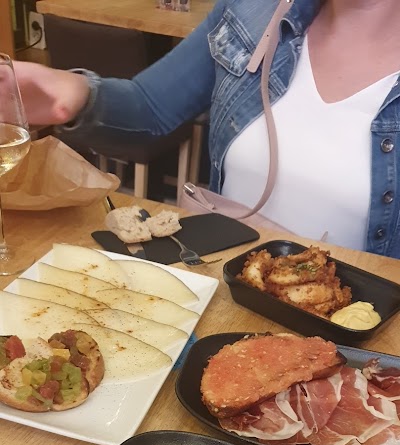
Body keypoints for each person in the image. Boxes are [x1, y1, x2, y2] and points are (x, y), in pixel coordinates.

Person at [12, 0, 400, 257]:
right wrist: (74, 94)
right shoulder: (251, 12)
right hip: (225, 296)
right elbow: (149, 109)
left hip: (358, 336)